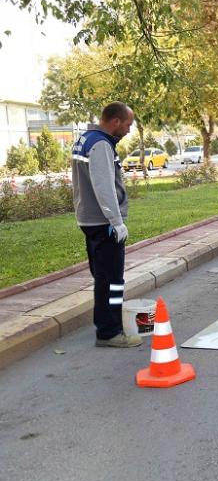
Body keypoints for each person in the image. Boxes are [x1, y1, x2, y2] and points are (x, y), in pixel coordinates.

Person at [71, 102, 140, 347]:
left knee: (103, 276)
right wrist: (116, 222)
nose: (129, 130)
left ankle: (107, 323)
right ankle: (110, 332)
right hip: (103, 222)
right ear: (115, 121)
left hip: (89, 219)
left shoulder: (86, 139)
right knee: (112, 280)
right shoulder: (100, 145)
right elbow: (104, 187)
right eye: (128, 124)